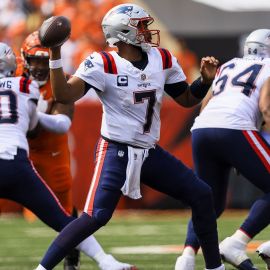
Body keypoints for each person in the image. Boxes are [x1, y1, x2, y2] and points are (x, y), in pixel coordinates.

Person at [35, 3, 224, 270]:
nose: (148, 31)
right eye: (142, 26)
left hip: (149, 152)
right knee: (95, 216)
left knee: (202, 195)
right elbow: (65, 94)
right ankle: (42, 268)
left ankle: (215, 267)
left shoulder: (163, 58)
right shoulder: (103, 62)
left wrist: (203, 82)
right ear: (123, 32)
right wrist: (55, 54)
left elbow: (185, 99)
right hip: (116, 150)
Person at [18, 31, 135, 270]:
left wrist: (32, 115)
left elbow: (62, 124)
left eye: (44, 60)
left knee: (64, 212)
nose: (40, 67)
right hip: (19, 149)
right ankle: (102, 260)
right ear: (24, 59)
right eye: (35, 60)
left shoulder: (62, 81)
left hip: (52, 150)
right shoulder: (15, 78)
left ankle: (72, 253)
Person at [175, 28, 270, 270]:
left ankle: (185, 258)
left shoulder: (229, 65)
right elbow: (266, 107)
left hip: (203, 128)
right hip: (236, 128)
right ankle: (237, 242)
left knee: (210, 202)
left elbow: (205, 104)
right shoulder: (268, 66)